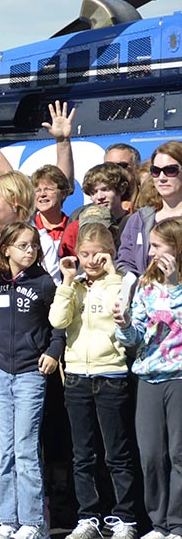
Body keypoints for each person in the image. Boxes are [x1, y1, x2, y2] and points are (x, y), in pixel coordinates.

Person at [48, 223, 140, 539]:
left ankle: (125, 517)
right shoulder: (75, 286)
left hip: (111, 375)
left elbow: (121, 313)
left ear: (110, 253)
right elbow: (57, 321)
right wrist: (68, 282)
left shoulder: (121, 282)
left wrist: (111, 273)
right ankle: (88, 517)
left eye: (97, 254)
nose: (90, 261)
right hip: (76, 377)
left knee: (117, 452)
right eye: (84, 254)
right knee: (82, 453)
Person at [0, 222, 64, 539]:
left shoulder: (43, 283)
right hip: (0, 373)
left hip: (30, 373)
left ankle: (33, 521)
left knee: (26, 450)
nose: (29, 251)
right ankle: (8, 521)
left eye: (33, 246)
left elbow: (59, 325)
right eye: (23, 245)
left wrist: (54, 352)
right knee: (6, 451)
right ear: (7, 248)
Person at [114, 216, 182, 539]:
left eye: (157, 246)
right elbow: (134, 337)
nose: (151, 252)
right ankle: (159, 523)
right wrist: (125, 323)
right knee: (152, 454)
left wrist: (175, 286)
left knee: (178, 453)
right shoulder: (145, 285)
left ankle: (177, 523)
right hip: (149, 378)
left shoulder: (175, 284)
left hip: (179, 379)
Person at [117, 141, 182, 279]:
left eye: (171, 170)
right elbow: (124, 263)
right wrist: (142, 284)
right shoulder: (139, 220)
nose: (162, 178)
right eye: (156, 171)